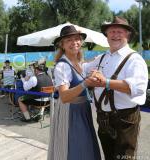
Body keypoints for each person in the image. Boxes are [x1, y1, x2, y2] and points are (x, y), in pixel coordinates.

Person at [83, 16, 148, 160]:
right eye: (111, 32)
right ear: (107, 35)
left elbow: (137, 88)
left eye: (120, 32)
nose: (115, 35)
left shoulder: (135, 59)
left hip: (124, 120)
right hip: (103, 119)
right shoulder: (102, 57)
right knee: (108, 156)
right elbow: (82, 70)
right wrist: (66, 57)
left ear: (127, 35)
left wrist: (105, 82)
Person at [47, 25, 101, 160]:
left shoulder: (79, 63)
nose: (74, 42)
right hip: (71, 112)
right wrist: (85, 83)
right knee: (74, 148)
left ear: (81, 42)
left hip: (83, 110)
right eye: (69, 40)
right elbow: (64, 97)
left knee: (86, 147)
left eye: (77, 39)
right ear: (62, 45)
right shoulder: (62, 66)